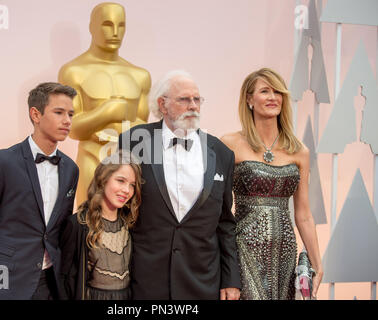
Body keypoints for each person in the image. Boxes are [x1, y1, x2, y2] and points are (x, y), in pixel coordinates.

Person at [118, 70, 241, 300]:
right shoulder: (134, 141)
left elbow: (225, 223)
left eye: (197, 99)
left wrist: (231, 278)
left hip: (203, 280)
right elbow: (120, 207)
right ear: (162, 105)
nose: (193, 105)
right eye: (184, 99)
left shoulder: (221, 152)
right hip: (145, 279)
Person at [0, 82, 79, 300]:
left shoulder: (71, 169)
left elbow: (61, 230)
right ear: (36, 114)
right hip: (5, 276)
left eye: (71, 114)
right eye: (59, 112)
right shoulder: (0, 163)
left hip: (51, 282)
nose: (67, 121)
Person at [220, 67, 323, 300]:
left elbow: (304, 214)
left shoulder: (299, 151)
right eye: (265, 91)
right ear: (249, 99)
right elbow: (220, 210)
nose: (273, 97)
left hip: (285, 250)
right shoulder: (230, 143)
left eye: (278, 91)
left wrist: (318, 262)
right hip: (244, 248)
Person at [58, 2, 151, 206]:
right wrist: (107, 112)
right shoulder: (74, 71)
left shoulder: (139, 75)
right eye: (107, 24)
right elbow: (72, 128)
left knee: (130, 230)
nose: (115, 32)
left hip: (128, 163)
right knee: (88, 227)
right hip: (92, 156)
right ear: (92, 27)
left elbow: (143, 130)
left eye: (121, 25)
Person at [58, 150, 142, 300]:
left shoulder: (130, 225)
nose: (127, 190)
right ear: (104, 179)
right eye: (121, 181)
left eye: (132, 185)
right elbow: (65, 280)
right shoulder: (78, 224)